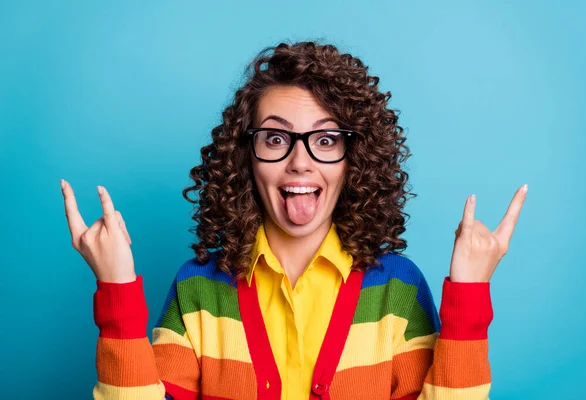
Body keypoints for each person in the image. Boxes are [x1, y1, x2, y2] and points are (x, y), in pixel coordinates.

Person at [61, 41, 527, 400]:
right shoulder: (197, 291)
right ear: (246, 157)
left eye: (325, 141)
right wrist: (116, 286)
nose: (300, 162)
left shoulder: (398, 291)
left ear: (354, 158)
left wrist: (468, 293)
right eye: (276, 138)